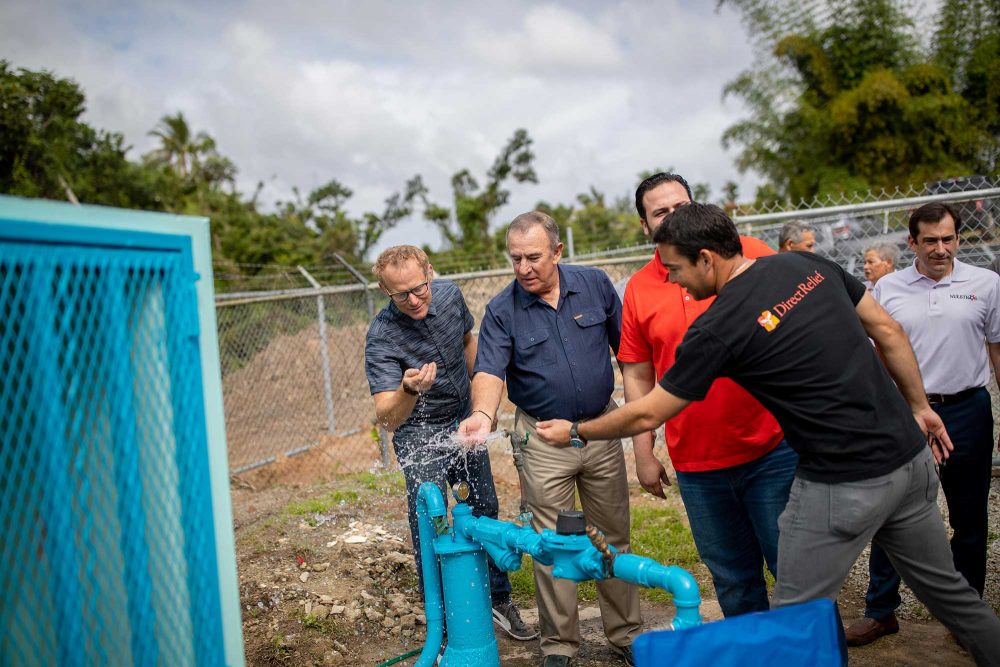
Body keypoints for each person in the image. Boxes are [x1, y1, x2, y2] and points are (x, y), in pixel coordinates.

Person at [534, 203, 1000, 667]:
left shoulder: (717, 326)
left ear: (706, 259)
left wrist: (577, 429)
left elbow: (646, 414)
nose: (673, 280)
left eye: (675, 268)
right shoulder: (807, 265)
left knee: (792, 621)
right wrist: (919, 407)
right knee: (953, 596)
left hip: (842, 481)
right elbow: (889, 331)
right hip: (909, 460)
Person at [458, 212, 642, 667]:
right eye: (515, 258)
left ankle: (626, 634)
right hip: (542, 438)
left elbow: (630, 354)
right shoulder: (502, 310)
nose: (523, 268)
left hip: (600, 429)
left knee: (613, 535)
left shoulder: (595, 285)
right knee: (552, 542)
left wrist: (642, 423)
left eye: (533, 257)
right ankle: (560, 645)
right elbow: (488, 370)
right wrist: (482, 414)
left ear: (558, 252)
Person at [620, 173, 797, 617]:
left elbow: (796, 330)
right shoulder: (639, 289)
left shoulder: (749, 254)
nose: (673, 216)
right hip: (699, 464)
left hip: (771, 448)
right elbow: (638, 373)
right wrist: (644, 451)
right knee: (733, 581)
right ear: (645, 226)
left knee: (796, 572)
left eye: (681, 206)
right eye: (661, 212)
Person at [845, 202, 1000, 647]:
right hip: (902, 414)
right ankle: (881, 611)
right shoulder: (887, 287)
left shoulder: (985, 284)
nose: (940, 249)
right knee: (891, 513)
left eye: (948, 239)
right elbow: (873, 354)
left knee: (969, 518)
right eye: (929, 240)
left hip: (967, 411)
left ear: (957, 238)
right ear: (911, 242)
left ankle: (965, 618)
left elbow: (996, 350)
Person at [363, 245, 535, 641]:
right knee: (431, 519)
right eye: (400, 294)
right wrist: (408, 388)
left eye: (419, 287)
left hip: (461, 418)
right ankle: (441, 616)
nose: (414, 299)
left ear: (430, 272)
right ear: (385, 291)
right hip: (418, 429)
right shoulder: (381, 338)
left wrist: (483, 400)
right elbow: (388, 418)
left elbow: (468, 342)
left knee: (483, 505)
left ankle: (496, 597)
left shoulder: (449, 294)